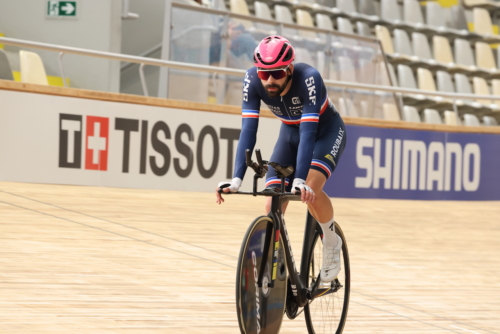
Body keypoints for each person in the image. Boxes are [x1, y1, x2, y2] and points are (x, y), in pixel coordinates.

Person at [215, 35, 347, 282]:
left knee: (310, 190)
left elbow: (308, 134)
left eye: (276, 73)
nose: (270, 80)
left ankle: (331, 241)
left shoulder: (309, 77)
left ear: (289, 68)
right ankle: (277, 262)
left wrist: (299, 181)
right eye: (264, 74)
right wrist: (236, 179)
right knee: (271, 202)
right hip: (289, 134)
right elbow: (248, 131)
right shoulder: (252, 79)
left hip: (324, 132)